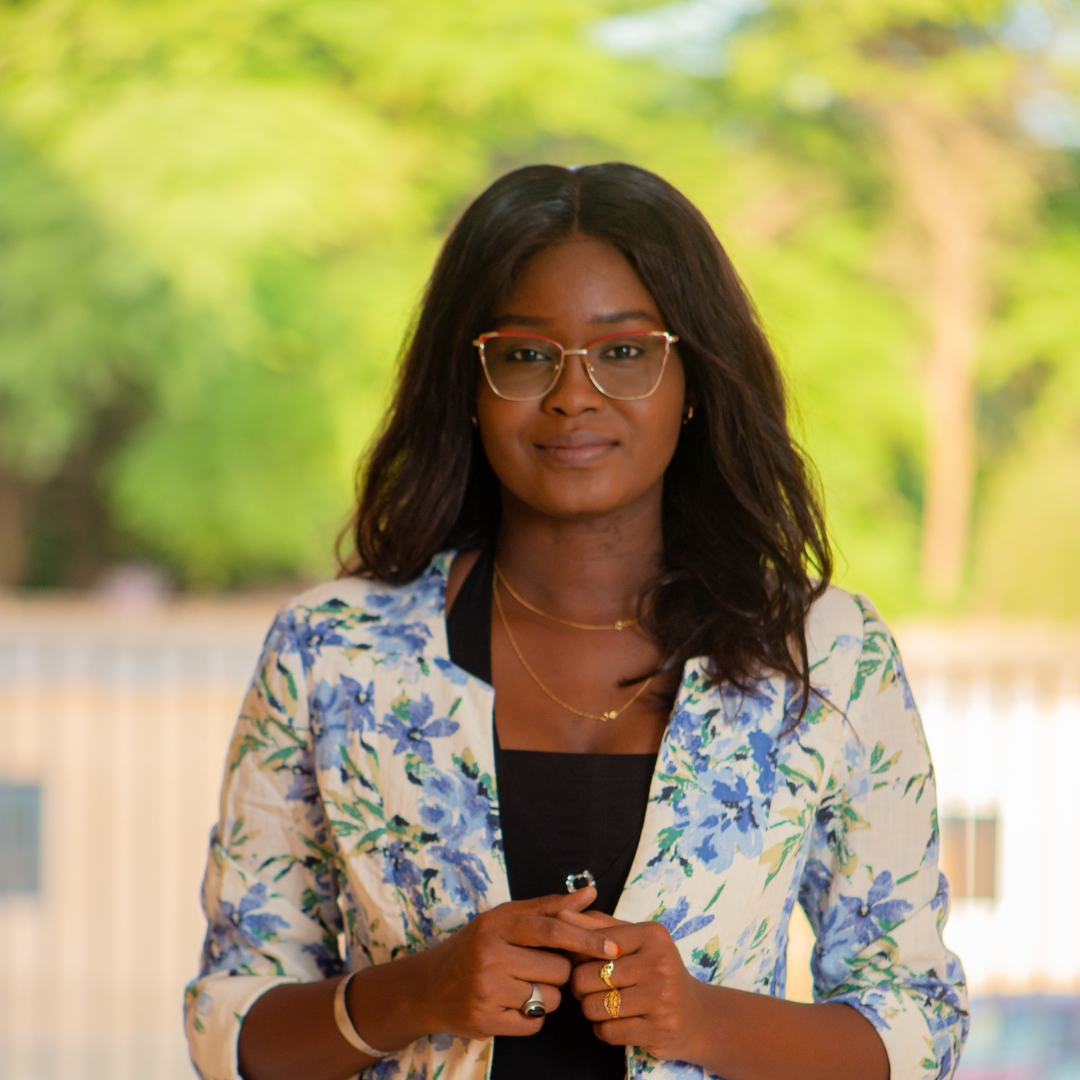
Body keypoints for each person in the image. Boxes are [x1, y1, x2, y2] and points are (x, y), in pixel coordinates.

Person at [184, 163, 968, 1080]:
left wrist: (703, 1021)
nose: (573, 394)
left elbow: (919, 1024)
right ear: (470, 384)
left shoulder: (826, 655)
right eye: (525, 354)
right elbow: (227, 1025)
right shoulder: (332, 652)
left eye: (625, 351)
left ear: (693, 379)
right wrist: (419, 992)